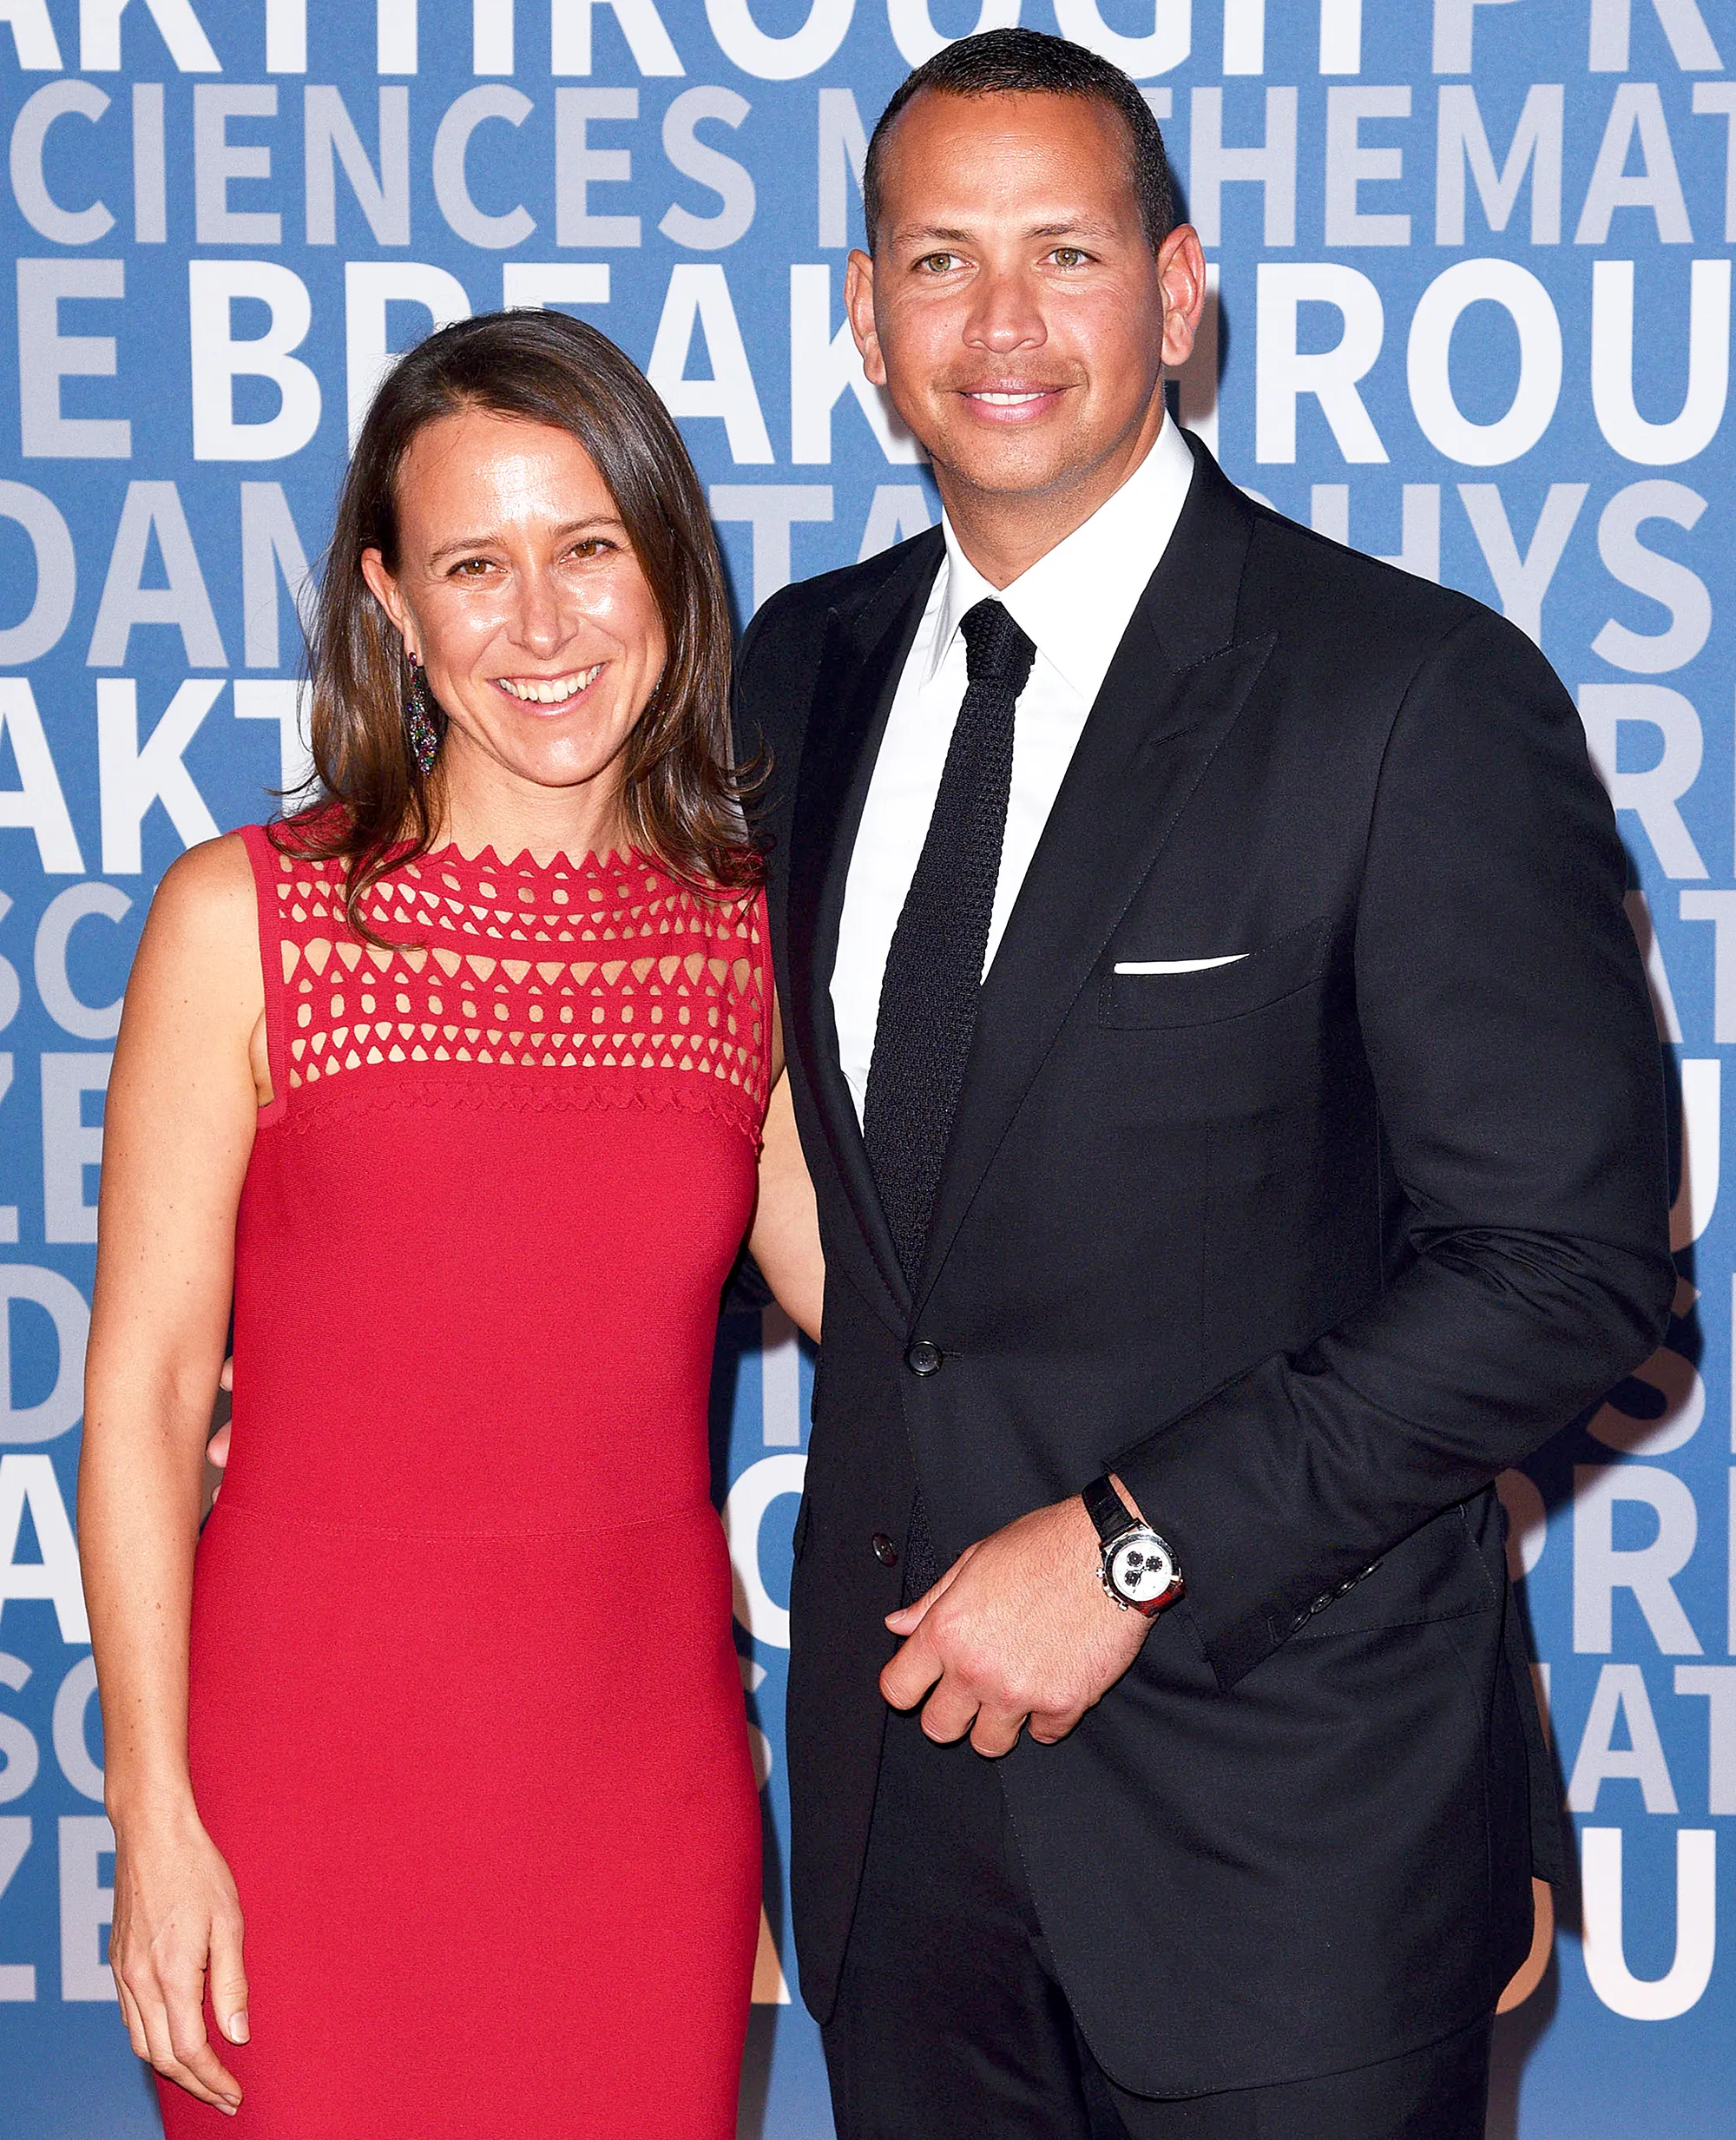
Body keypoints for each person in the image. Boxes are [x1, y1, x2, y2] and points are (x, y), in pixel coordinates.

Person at [737, 30, 1673, 2140]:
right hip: (901, 1855)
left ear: (1174, 296)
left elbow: (1562, 1265)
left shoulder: (1408, 692)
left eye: (1063, 253)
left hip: (1291, 1841)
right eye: (939, 260)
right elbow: (760, 1161)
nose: (998, 322)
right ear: (865, 318)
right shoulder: (798, 670)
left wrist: (1133, 1544)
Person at [78, 310, 820, 2137]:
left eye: (590, 548)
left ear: (669, 568)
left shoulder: (753, 939)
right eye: (476, 565)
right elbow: (147, 1400)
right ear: (392, 603)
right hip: (297, 1799)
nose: (543, 623)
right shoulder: (243, 919)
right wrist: (151, 1818)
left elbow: (907, 1325)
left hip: (637, 1798)